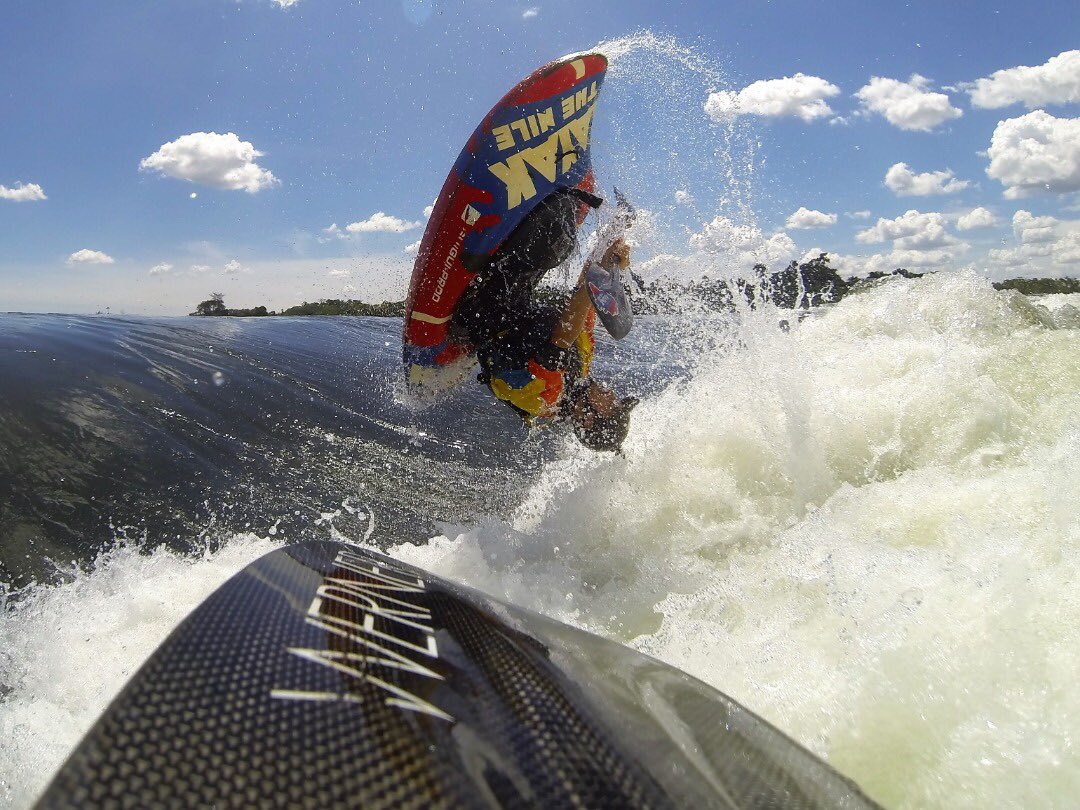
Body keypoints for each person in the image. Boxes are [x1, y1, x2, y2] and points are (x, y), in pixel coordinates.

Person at [450, 189, 639, 452]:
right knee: (562, 232)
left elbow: (562, 335)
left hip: (480, 313)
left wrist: (599, 278)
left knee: (552, 236)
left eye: (613, 405)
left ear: (588, 418)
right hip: (517, 299)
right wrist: (614, 238)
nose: (612, 395)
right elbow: (584, 293)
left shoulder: (545, 398)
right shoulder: (582, 363)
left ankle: (478, 224)